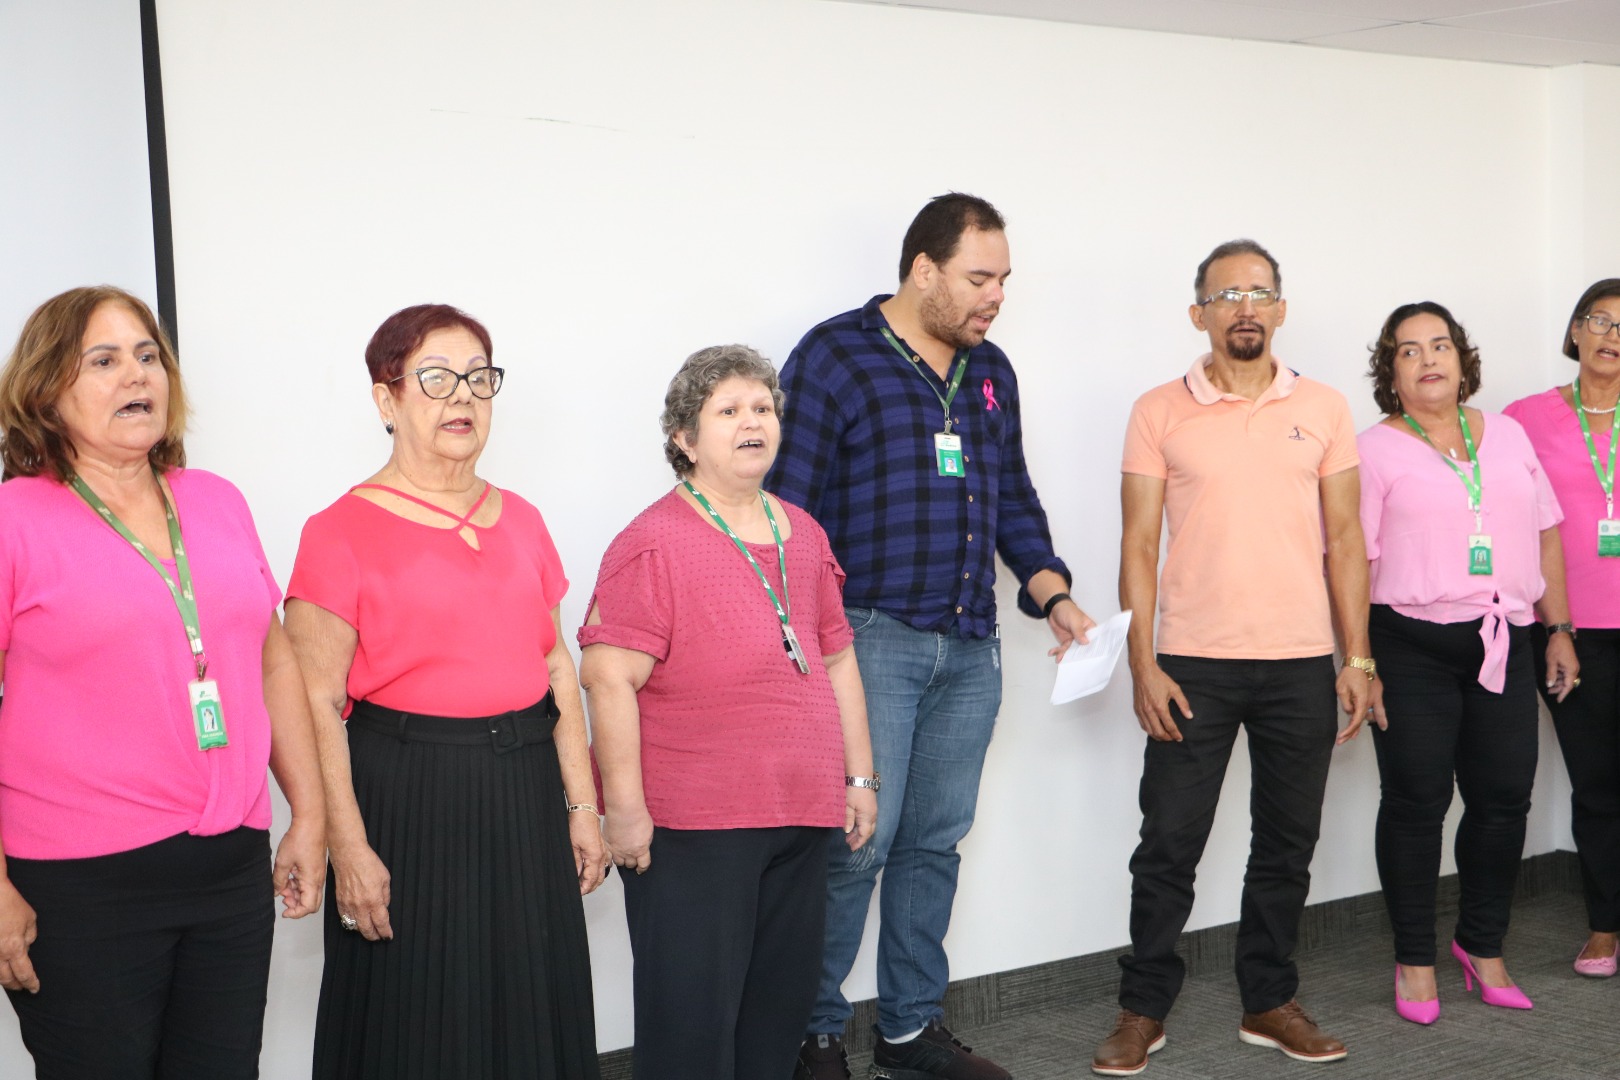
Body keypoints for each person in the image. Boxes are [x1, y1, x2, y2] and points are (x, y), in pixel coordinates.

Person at [771, 193, 1094, 1080]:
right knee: (855, 843)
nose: (995, 297)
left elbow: (1012, 500)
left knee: (932, 844)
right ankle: (814, 1033)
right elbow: (790, 513)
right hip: (870, 640)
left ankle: (910, 1030)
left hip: (971, 644)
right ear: (923, 270)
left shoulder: (992, 372)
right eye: (979, 277)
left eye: (1004, 279)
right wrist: (805, 649)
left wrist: (1053, 593)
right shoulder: (835, 356)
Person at [0, 286, 326, 1077]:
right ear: (47, 388)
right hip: (81, 890)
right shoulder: (15, 520)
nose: (136, 376)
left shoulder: (215, 501)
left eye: (148, 357)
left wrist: (309, 814)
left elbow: (272, 657)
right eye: (104, 361)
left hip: (227, 871)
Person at [284, 304, 604, 1080]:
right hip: (408, 795)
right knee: (414, 1014)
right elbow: (317, 703)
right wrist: (347, 845)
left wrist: (583, 805)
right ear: (386, 400)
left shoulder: (522, 518)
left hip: (525, 785)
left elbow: (556, 666)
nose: (463, 397)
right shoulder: (337, 531)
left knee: (533, 995)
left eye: (479, 379)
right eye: (436, 378)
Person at [1094, 240, 1371, 1076]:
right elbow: (1138, 544)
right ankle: (1143, 1008)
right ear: (1199, 313)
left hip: (1298, 664)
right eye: (1226, 294)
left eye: (1259, 292)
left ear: (1281, 309)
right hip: (1192, 663)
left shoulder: (1322, 407)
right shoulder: (1157, 410)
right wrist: (1143, 662)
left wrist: (1355, 657)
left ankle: (1268, 1000)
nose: (1244, 306)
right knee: (1169, 844)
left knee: (1287, 844)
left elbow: (1347, 538)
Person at [578, 344, 877, 1080]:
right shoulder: (654, 542)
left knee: (774, 1019)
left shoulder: (802, 532)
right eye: (729, 410)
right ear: (684, 438)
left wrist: (860, 779)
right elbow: (607, 677)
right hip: (693, 830)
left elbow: (837, 658)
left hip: (800, 818)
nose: (753, 422)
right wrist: (623, 810)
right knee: (691, 1030)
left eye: (764, 408)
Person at [1358, 300, 1577, 1023]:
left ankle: (1482, 946)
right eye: (1410, 350)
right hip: (1411, 643)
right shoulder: (1375, 449)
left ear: (1462, 358)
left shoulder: (1507, 433)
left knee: (1504, 799)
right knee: (1417, 802)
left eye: (1440, 345)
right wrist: (1357, 660)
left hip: (1506, 636)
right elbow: (1350, 563)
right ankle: (1415, 957)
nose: (1429, 360)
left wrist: (1558, 628)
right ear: (1391, 371)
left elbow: (1547, 531)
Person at [1503, 278, 1620, 979]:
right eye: (1599, 320)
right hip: (1570, 631)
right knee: (1598, 783)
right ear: (1575, 332)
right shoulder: (1527, 418)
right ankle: (1604, 926)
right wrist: (1556, 626)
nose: (1612, 335)